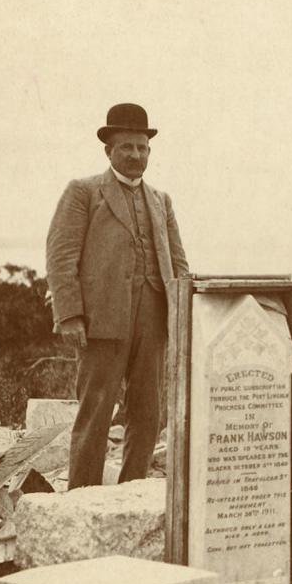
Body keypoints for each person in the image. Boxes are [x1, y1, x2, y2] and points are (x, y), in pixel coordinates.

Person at [47, 103, 189, 489]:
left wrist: (185, 316)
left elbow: (178, 264)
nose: (135, 155)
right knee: (95, 413)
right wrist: (70, 315)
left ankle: (132, 493)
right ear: (108, 150)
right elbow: (61, 256)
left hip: (152, 320)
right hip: (101, 321)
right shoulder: (83, 191)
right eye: (126, 147)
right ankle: (82, 498)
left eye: (142, 147)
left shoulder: (161, 201)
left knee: (147, 414)